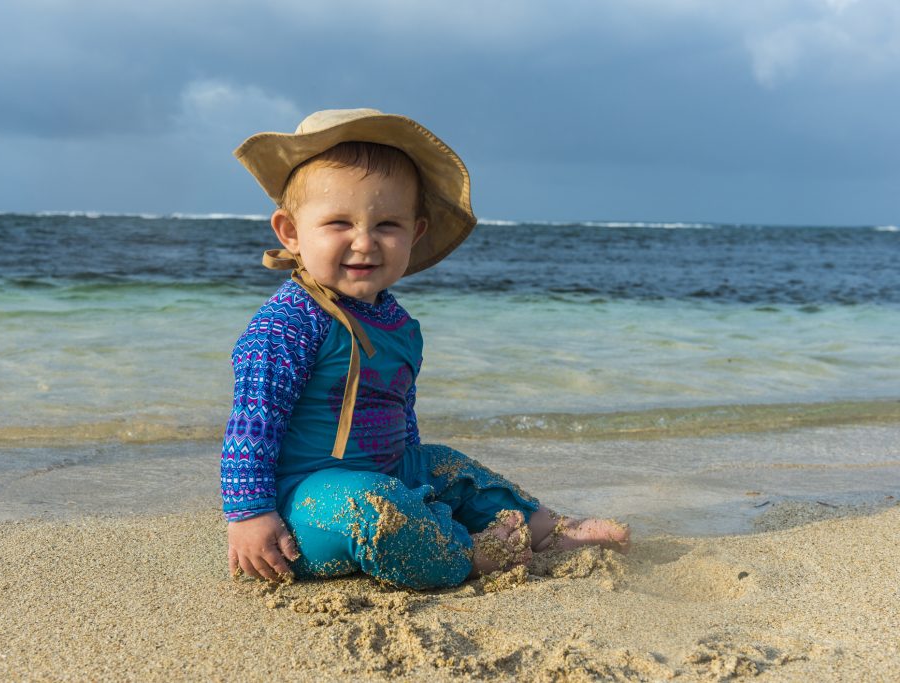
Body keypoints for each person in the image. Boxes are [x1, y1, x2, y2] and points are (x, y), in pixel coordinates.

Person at [221, 108, 628, 589]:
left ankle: (546, 528)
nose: (364, 242)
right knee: (373, 507)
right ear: (290, 231)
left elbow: (401, 415)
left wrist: (424, 481)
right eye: (338, 223)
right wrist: (249, 514)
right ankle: (465, 555)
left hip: (390, 471)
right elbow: (253, 423)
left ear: (414, 233)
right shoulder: (286, 324)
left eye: (387, 225)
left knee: (449, 467)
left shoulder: (400, 325)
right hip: (306, 506)